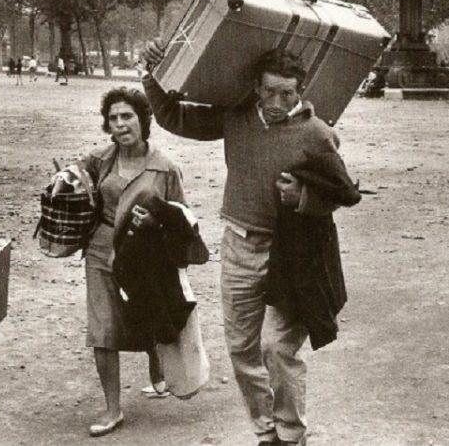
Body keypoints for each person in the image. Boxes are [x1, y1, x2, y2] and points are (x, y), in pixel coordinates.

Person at [142, 42, 351, 446]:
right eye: (270, 91)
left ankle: (291, 436)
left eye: (287, 94)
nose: (277, 101)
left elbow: (342, 190)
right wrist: (153, 75)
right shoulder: (235, 118)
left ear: (300, 91)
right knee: (241, 349)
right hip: (238, 246)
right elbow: (173, 116)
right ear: (255, 87)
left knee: (275, 348)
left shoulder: (316, 133)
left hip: (290, 255)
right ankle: (266, 432)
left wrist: (304, 196)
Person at [72, 87, 187, 437]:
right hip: (101, 249)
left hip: (146, 255)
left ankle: (157, 360)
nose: (120, 125)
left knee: (146, 316)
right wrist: (68, 183)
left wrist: (159, 227)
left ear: (143, 120)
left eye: (127, 117)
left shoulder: (165, 168)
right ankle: (112, 409)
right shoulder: (98, 159)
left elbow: (181, 220)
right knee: (102, 328)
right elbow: (75, 186)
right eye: (113, 118)